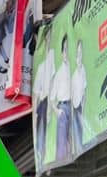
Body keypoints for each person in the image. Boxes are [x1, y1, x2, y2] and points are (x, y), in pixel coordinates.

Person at [33, 32, 54, 165]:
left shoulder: (55, 58)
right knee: (42, 134)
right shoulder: (42, 65)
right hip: (44, 102)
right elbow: (36, 92)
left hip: (52, 99)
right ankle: (43, 159)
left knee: (48, 133)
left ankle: (46, 159)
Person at [50, 34, 72, 161]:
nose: (66, 53)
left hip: (73, 106)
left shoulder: (73, 69)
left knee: (72, 142)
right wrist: (57, 111)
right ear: (62, 53)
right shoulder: (59, 73)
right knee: (62, 142)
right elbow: (52, 98)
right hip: (63, 107)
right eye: (64, 50)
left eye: (68, 50)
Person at [71, 39, 87, 154]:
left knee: (82, 132)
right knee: (77, 133)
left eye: (81, 54)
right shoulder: (74, 75)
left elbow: (85, 90)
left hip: (81, 106)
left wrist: (84, 106)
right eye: (78, 55)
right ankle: (78, 150)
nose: (79, 58)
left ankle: (80, 150)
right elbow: (72, 96)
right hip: (75, 107)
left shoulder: (83, 71)